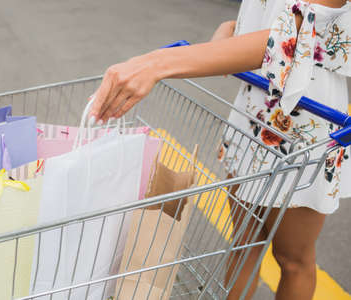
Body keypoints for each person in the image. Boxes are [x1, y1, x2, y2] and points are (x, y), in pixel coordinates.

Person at [89, 0, 350, 299]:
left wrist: (159, 62)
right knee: (243, 242)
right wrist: (232, 29)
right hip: (254, 106)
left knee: (293, 259)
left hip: (306, 119)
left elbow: (294, 32)